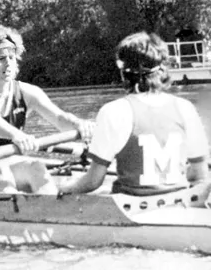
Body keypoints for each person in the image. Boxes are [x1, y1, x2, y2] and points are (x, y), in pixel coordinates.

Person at [59, 31, 208, 196]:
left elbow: (93, 181)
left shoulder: (113, 111)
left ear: (124, 72)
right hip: (178, 203)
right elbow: (200, 176)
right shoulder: (185, 108)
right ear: (162, 69)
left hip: (133, 207)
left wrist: (63, 188)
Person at [0, 25, 94, 193]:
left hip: (9, 166)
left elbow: (59, 118)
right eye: (0, 59)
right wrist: (17, 135)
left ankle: (52, 214)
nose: (8, 64)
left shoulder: (28, 92)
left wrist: (80, 124)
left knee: (36, 167)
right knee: (0, 173)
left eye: (12, 57)